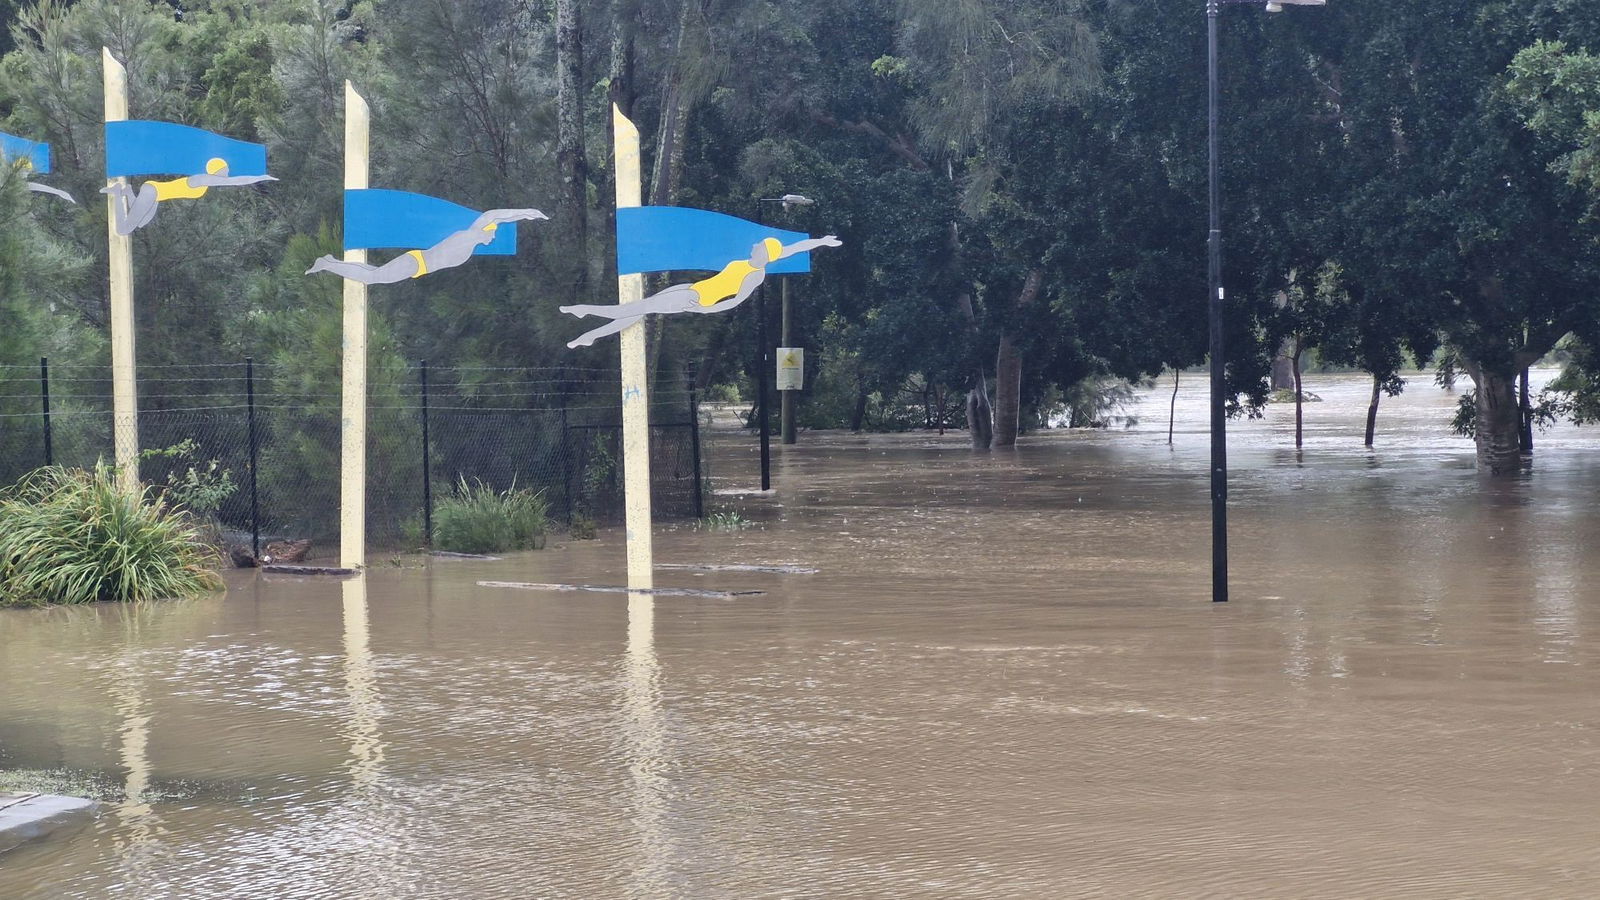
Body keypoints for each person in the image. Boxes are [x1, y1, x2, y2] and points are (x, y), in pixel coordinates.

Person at [561, 234, 842, 348]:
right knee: (638, 311)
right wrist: (822, 241)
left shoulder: (756, 273)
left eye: (759, 245)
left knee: (635, 309)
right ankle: (590, 335)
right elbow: (794, 248)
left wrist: (705, 309)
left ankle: (584, 311)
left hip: (695, 298)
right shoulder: (754, 260)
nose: (754, 246)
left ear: (765, 253)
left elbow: (735, 302)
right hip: (691, 288)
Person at [306, 208, 548, 284]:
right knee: (372, 277)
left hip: (417, 264)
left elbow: (496, 218)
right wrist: (523, 213)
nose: (492, 238)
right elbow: (492, 216)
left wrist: (525, 213)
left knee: (373, 273)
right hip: (416, 262)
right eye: (491, 235)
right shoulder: (469, 236)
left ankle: (331, 262)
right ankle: (328, 264)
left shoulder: (471, 241)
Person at [102, 157, 276, 235]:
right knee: (123, 229)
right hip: (152, 191)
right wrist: (259, 177)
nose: (228, 174)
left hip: (155, 196)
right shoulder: (200, 179)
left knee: (140, 223)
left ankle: (127, 192)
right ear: (217, 170)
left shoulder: (203, 183)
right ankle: (118, 192)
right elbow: (234, 181)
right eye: (226, 171)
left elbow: (231, 181)